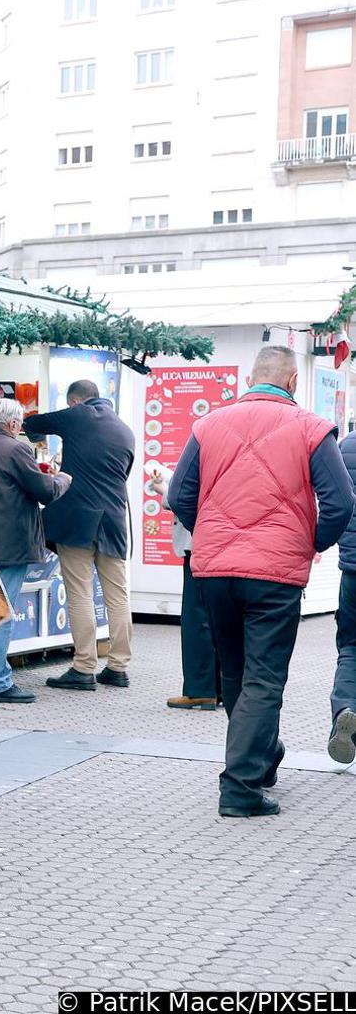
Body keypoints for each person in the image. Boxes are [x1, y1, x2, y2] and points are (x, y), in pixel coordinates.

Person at [170, 345, 353, 817]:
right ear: (293, 382)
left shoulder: (208, 425)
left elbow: (179, 495)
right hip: (275, 574)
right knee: (264, 679)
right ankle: (241, 788)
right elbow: (340, 503)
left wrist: (211, 532)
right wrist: (310, 543)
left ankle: (262, 757)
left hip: (214, 570)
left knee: (234, 673)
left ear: (251, 379)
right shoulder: (313, 429)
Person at [22, 381, 137, 691]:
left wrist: (37, 440)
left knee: (80, 592)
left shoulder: (79, 415)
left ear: (74, 401)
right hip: (114, 520)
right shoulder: (125, 430)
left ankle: (84, 666)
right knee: (118, 594)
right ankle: (118, 667)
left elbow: (33, 421)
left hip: (79, 520)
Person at [0, 398, 71, 704]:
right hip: (10, 543)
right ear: (12, 424)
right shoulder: (15, 449)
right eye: (19, 424)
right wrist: (61, 479)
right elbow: (43, 491)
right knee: (1, 612)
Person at [146, 467, 217, 711]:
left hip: (199, 543)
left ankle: (200, 690)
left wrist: (163, 491)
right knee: (219, 618)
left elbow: (180, 497)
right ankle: (221, 688)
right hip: (226, 545)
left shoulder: (204, 445)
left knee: (196, 620)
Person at [335, 430, 356, 764]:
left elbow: (335, 501)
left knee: (350, 648)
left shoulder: (347, 445)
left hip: (353, 568)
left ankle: (346, 708)